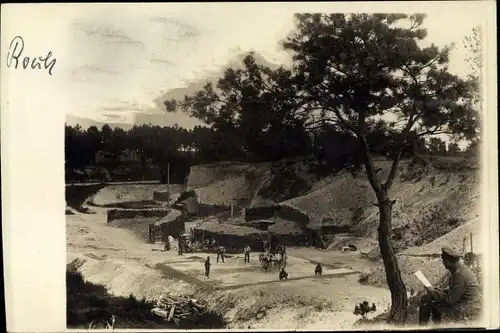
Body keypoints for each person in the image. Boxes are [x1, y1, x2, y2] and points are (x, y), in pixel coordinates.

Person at [418, 246, 482, 326]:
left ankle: (428, 326)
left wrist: (433, 292)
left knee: (428, 300)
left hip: (467, 308)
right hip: (466, 304)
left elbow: (449, 300)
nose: (443, 263)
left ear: (448, 261)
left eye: (443, 260)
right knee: (429, 298)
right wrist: (441, 290)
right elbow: (457, 290)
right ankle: (434, 325)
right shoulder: (461, 269)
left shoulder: (459, 275)